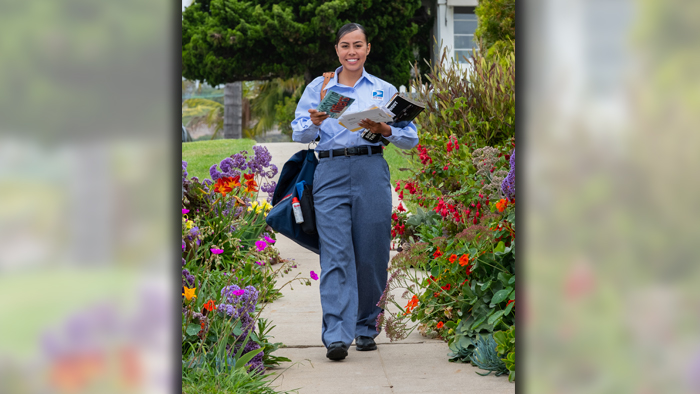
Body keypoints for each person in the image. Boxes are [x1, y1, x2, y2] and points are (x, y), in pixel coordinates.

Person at [291, 23, 419, 361]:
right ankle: (336, 335)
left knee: (372, 254)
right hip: (330, 171)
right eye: (345, 45)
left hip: (371, 169)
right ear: (337, 50)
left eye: (358, 45)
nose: (352, 51)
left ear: (368, 48)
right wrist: (316, 121)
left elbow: (410, 137)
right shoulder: (320, 88)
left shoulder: (382, 89)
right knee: (335, 255)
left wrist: (385, 128)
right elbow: (299, 134)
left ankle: (366, 329)